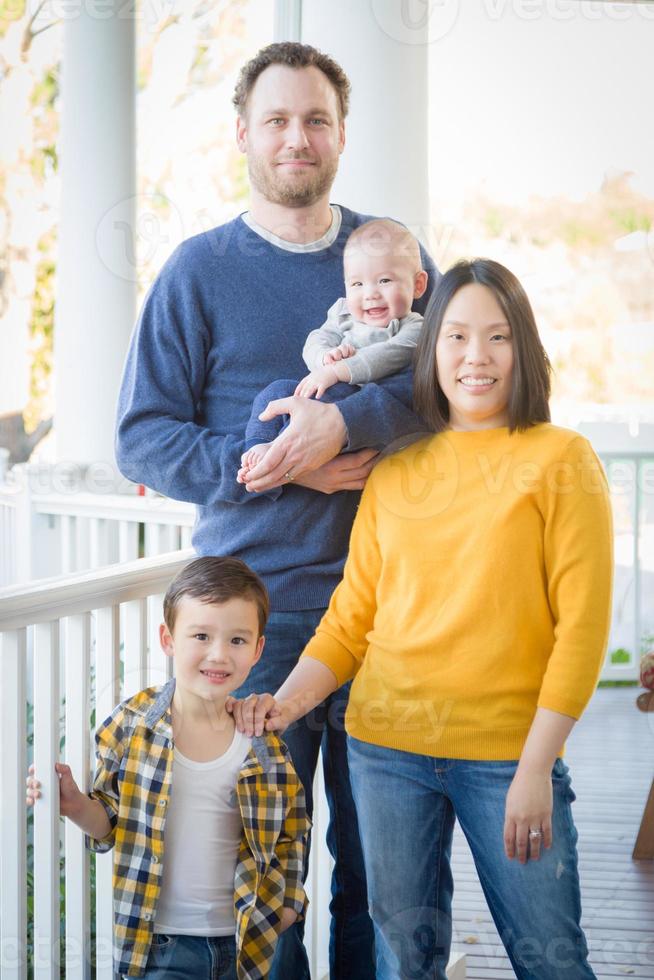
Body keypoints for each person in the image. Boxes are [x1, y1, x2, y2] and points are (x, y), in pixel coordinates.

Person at [115, 40, 438, 980]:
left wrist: (339, 426)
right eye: (278, 120)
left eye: (316, 120)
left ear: (341, 134)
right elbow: (143, 438)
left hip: (393, 612)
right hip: (261, 621)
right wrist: (281, 466)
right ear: (245, 134)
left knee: (385, 875)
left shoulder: (396, 256)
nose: (297, 137)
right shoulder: (198, 270)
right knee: (267, 871)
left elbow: (450, 378)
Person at [230, 259, 614, 980]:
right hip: (385, 753)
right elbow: (352, 620)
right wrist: (282, 706)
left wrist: (536, 767)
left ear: (522, 350)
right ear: (430, 349)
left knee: (553, 960)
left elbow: (582, 628)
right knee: (405, 963)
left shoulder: (562, 459)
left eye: (498, 337)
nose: (476, 357)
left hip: (508, 759)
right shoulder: (395, 466)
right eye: (458, 336)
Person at [26, 556, 309, 980]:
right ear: (169, 639)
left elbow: (292, 827)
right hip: (161, 948)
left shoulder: (261, 744)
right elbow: (107, 822)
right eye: (201, 635)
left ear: (258, 650)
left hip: (249, 943)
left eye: (237, 640)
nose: (218, 654)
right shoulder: (133, 725)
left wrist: (287, 907)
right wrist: (74, 804)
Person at [239, 218, 428, 478]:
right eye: (357, 284)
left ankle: (280, 452)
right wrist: (324, 359)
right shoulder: (343, 312)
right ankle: (259, 446)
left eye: (384, 280)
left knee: (329, 399)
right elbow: (317, 339)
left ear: (418, 284)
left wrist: (339, 370)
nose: (370, 294)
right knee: (275, 393)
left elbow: (390, 355)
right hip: (324, 387)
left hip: (359, 409)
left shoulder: (415, 327)